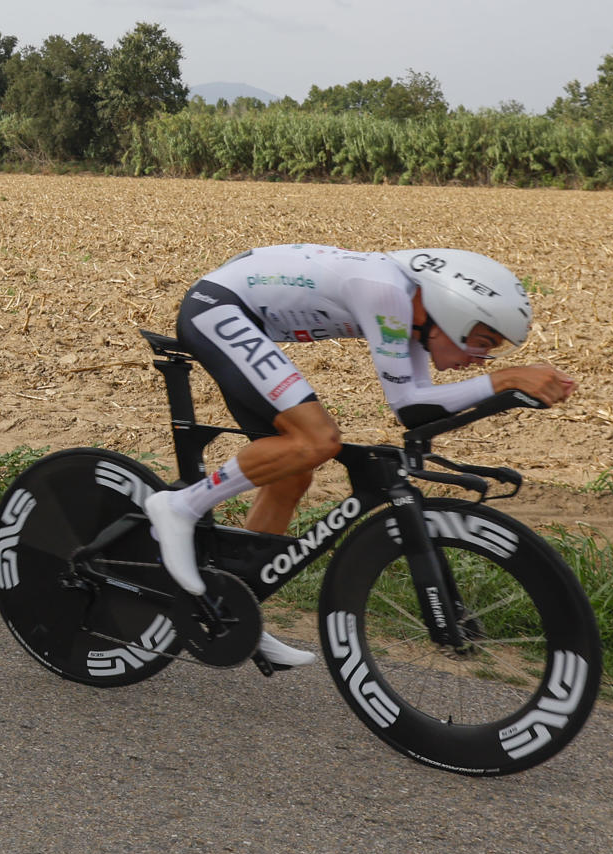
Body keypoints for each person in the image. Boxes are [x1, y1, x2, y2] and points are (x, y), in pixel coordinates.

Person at [143, 245, 577, 668]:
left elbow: (416, 406)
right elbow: (411, 406)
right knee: (318, 440)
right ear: (452, 311)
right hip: (218, 308)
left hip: (243, 316)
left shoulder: (413, 314)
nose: (478, 358)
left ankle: (232, 604)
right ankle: (179, 507)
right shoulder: (386, 292)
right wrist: (503, 381)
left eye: (493, 351)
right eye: (482, 342)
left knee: (292, 473)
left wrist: (505, 387)